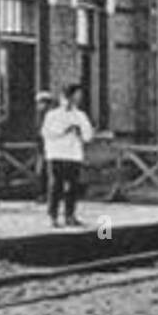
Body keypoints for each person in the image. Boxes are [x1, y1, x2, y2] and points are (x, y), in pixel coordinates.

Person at [40, 83, 94, 228]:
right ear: (64, 98)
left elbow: (88, 135)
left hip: (73, 155)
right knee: (55, 185)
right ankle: (53, 216)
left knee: (72, 186)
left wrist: (81, 132)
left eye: (77, 98)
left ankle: (70, 215)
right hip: (56, 154)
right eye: (73, 97)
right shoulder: (52, 115)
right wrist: (64, 130)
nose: (74, 101)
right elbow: (46, 133)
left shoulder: (80, 115)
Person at [34, 91, 56, 202]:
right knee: (41, 172)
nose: (40, 106)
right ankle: (42, 194)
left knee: (46, 172)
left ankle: (47, 195)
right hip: (42, 148)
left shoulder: (51, 116)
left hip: (50, 148)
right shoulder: (39, 116)